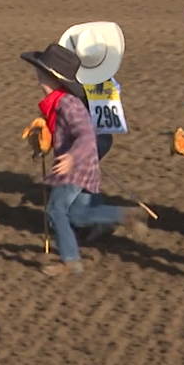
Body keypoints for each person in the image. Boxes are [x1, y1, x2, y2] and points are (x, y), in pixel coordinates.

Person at [20, 43, 148, 276]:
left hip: (76, 166)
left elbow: (87, 135)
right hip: (83, 164)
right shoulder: (58, 103)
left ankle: (71, 260)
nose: (37, 74)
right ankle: (123, 215)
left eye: (40, 70)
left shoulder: (67, 104)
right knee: (77, 215)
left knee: (56, 209)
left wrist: (71, 157)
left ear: (52, 77)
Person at [57, 21, 125, 241]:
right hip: (103, 136)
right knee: (89, 177)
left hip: (86, 140)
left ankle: (94, 219)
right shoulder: (109, 83)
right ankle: (98, 219)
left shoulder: (75, 88)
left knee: (80, 180)